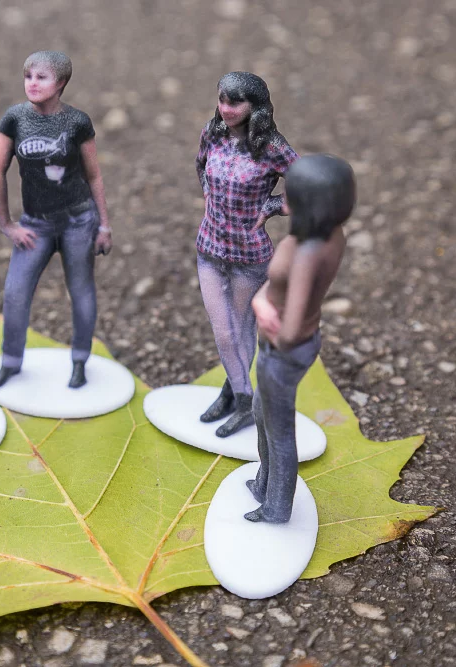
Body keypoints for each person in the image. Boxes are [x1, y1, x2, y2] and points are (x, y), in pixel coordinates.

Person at [0, 51, 112, 390]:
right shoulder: (14, 119)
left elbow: (95, 175)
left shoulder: (77, 122)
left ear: (60, 83)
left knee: (81, 291)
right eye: (28, 76)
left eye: (41, 77)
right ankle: (11, 362)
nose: (32, 83)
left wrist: (103, 224)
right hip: (36, 223)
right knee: (15, 292)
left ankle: (80, 360)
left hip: (77, 220)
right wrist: (7, 223)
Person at [245, 153, 356, 523]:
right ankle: (263, 483)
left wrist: (260, 304)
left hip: (283, 351)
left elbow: (290, 329)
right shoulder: (331, 235)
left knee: (279, 432)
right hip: (292, 347)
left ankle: (277, 508)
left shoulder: (307, 253)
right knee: (260, 412)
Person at [195, 72, 299, 437]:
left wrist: (272, 206)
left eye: (234, 102)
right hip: (209, 248)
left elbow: (306, 186)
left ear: (254, 106)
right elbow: (200, 165)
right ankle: (243, 399)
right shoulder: (213, 133)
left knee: (240, 332)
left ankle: (232, 395)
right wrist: (209, 192)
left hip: (249, 256)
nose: (225, 109)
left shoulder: (270, 147)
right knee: (223, 333)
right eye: (222, 99)